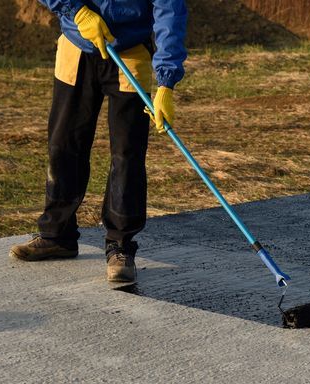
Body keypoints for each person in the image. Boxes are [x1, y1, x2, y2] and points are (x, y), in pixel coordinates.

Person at [10, 0, 188, 283]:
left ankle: (120, 246)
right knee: (63, 144)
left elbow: (170, 10)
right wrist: (76, 11)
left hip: (129, 52)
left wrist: (166, 82)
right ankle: (58, 236)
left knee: (127, 154)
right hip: (76, 44)